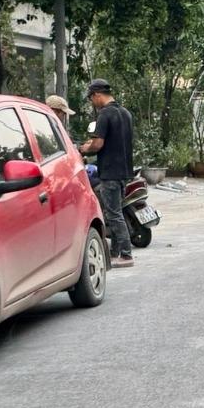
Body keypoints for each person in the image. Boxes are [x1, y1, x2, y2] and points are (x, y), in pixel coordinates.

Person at [82, 79, 136, 267]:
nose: (92, 102)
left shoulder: (105, 115)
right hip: (124, 172)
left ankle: (126, 255)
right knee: (116, 212)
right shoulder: (126, 113)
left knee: (113, 214)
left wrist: (84, 149)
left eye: (91, 98)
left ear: (97, 94)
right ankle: (114, 253)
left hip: (110, 172)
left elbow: (98, 144)